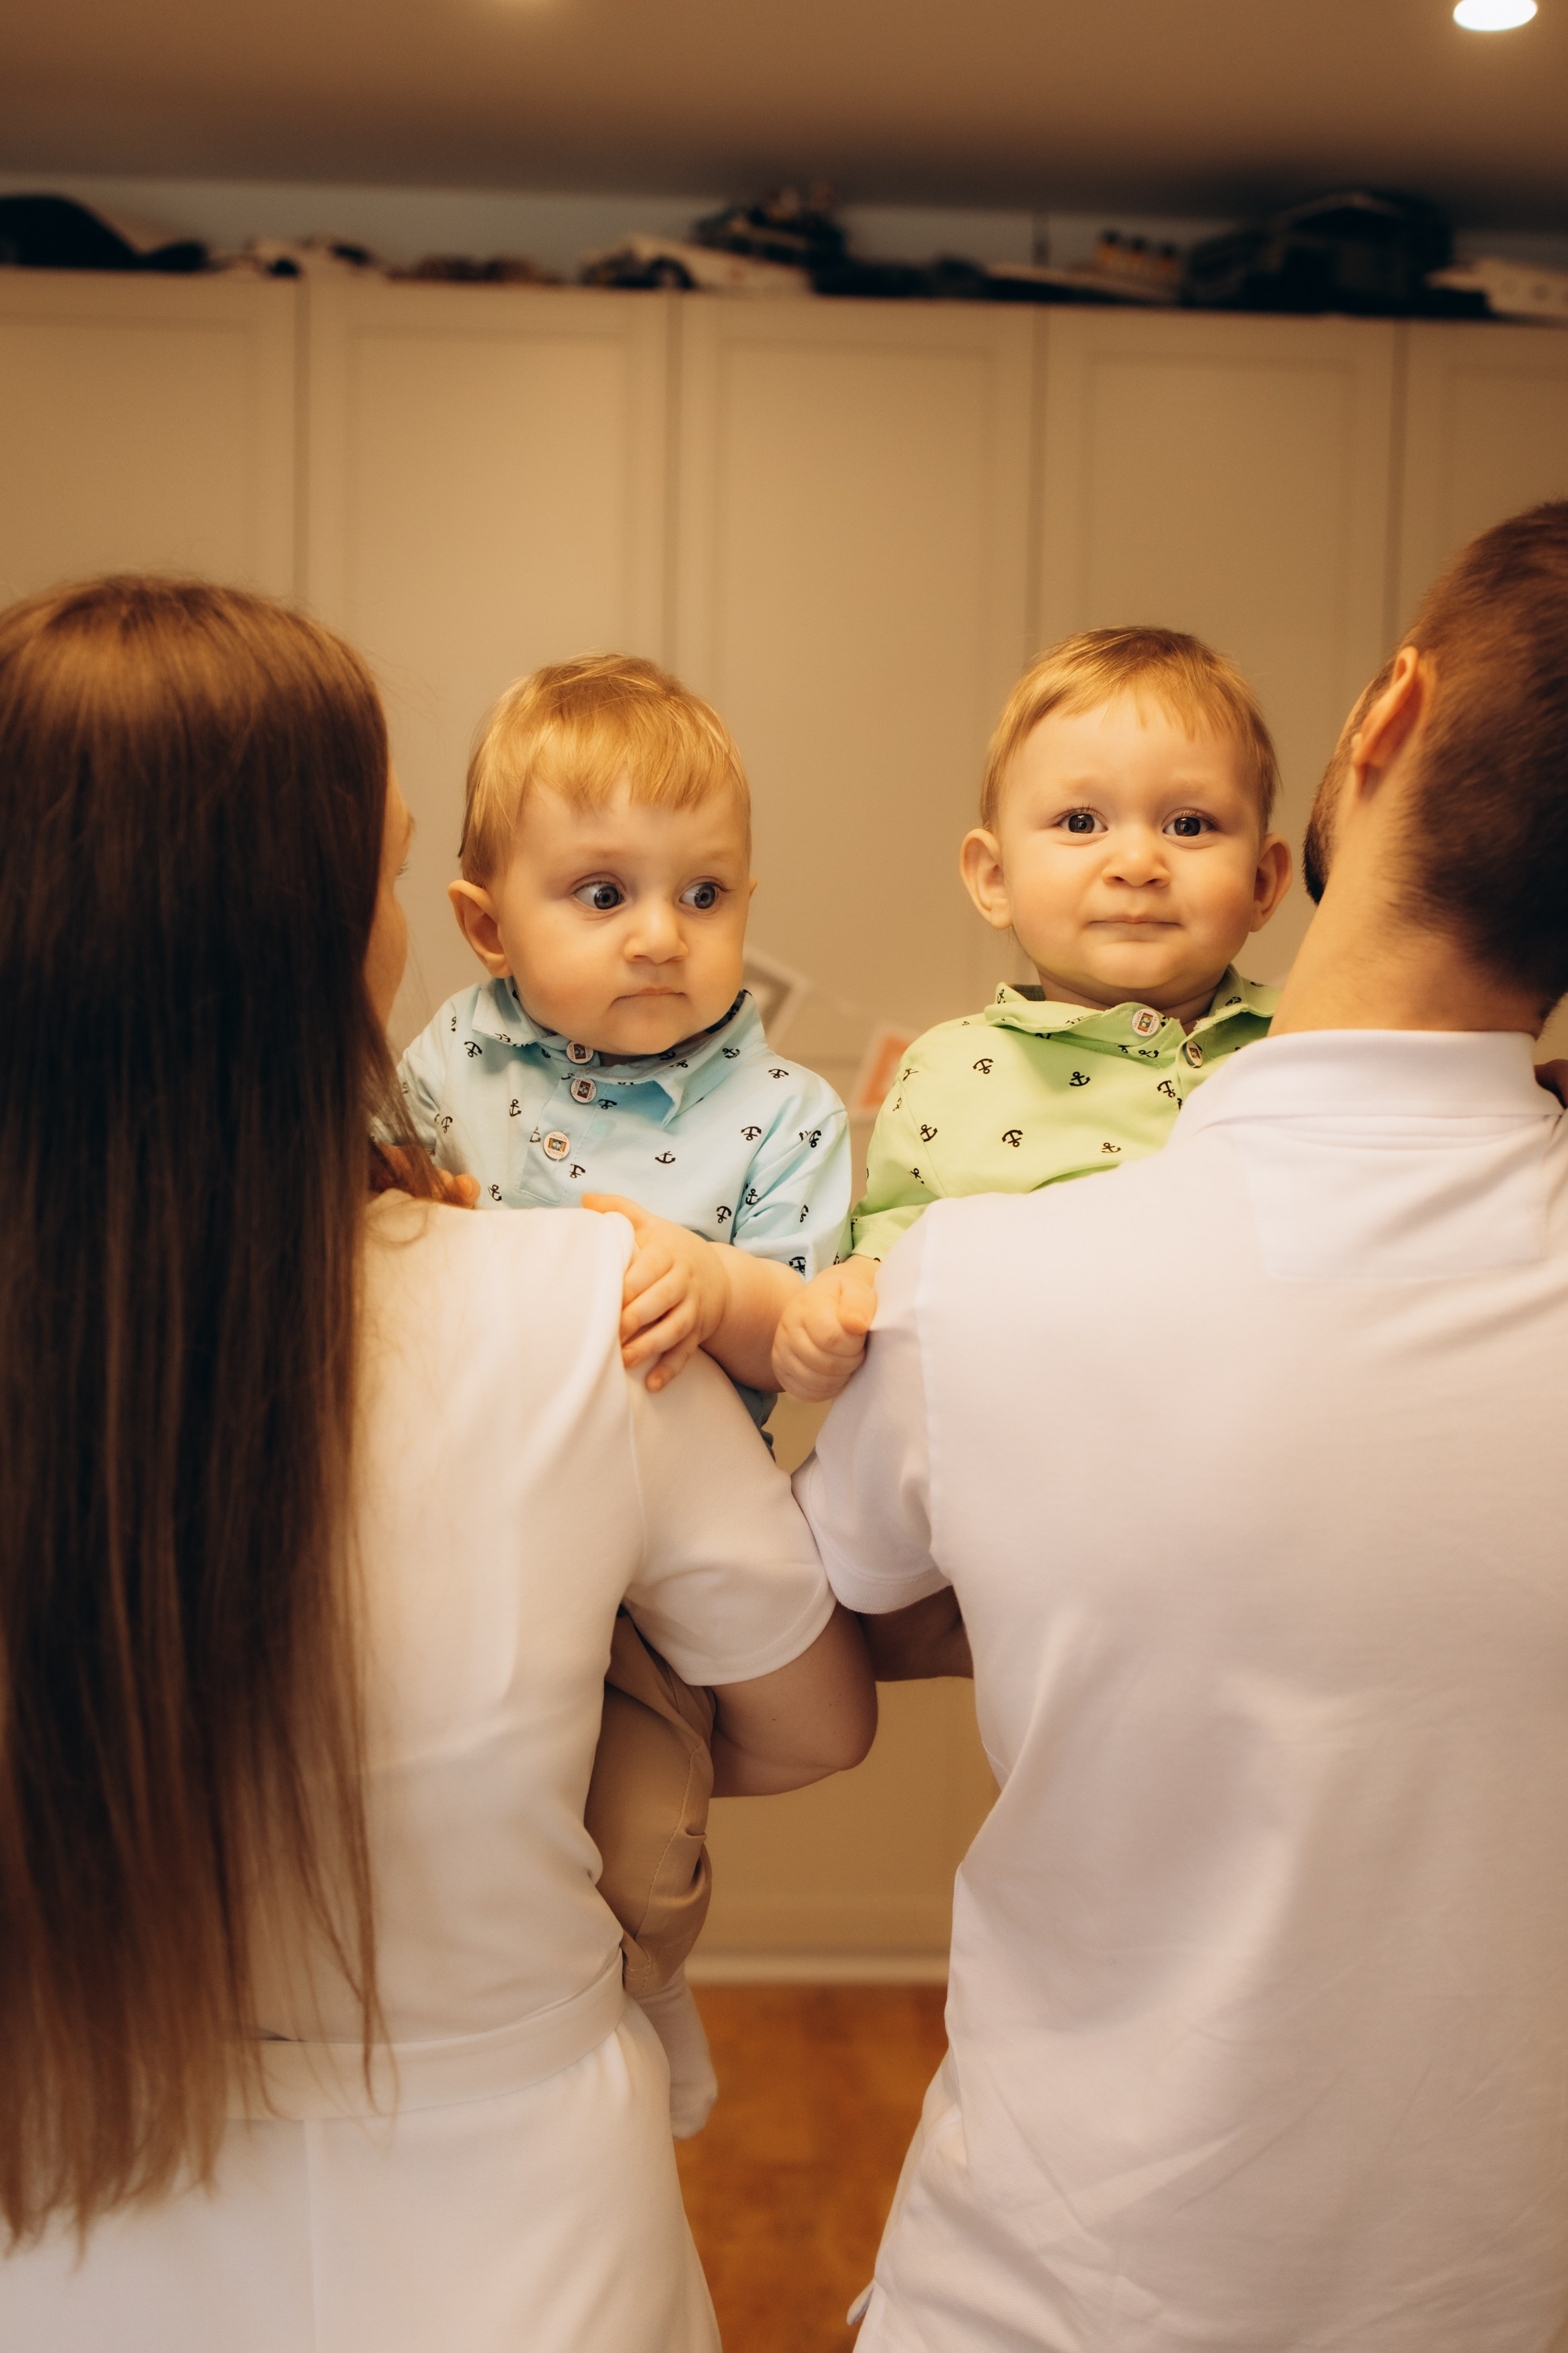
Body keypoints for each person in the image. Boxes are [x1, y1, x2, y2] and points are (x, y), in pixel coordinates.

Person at [0, 577, 875, 2353]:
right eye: (387, 884)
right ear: (309, 943)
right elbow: (813, 1722)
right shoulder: (583, 1311)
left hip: (73, 2218)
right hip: (526, 2243)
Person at [796, 501, 1568, 2350]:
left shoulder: (981, 1290)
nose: (1133, 860)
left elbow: (817, 1634)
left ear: (1378, 724)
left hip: (1055, 2303)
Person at [396, 651, 853, 2132]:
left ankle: (644, 1994)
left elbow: (806, 1337)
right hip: (462, 1525)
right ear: (485, 924)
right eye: (602, 894)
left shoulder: (780, 1113)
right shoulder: (452, 1063)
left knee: (644, 1845)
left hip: (656, 1568)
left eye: (703, 894)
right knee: (451, 1821)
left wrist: (719, 1290)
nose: (660, 935)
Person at [774, 628, 1290, 1401]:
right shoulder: (948, 1071)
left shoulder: (1304, 1042)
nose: (1136, 864)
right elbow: (891, 1244)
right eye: (1081, 822)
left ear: (1261, 882)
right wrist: (838, 1302)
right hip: (1036, 1420)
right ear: (994, 878)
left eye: (1187, 824)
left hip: (1248, 1406)